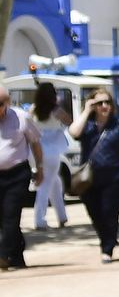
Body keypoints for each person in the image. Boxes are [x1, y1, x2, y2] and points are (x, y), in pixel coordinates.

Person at [67, 88, 119, 263]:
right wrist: (86, 110)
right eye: (99, 103)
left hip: (114, 177)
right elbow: (73, 132)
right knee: (95, 213)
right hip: (90, 179)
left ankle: (107, 248)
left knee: (110, 212)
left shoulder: (118, 126)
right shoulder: (87, 125)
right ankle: (107, 238)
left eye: (107, 102)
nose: (104, 106)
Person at [0, 88, 44, 271]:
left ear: (7, 104)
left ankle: (2, 256)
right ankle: (17, 257)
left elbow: (35, 143)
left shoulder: (21, 117)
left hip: (17, 174)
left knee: (11, 215)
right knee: (3, 219)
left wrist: (39, 168)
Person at [30, 84, 70, 230]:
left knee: (56, 183)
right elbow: (69, 121)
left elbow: (28, 124)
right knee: (45, 185)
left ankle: (62, 216)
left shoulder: (33, 109)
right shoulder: (56, 110)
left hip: (37, 150)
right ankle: (39, 220)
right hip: (52, 152)